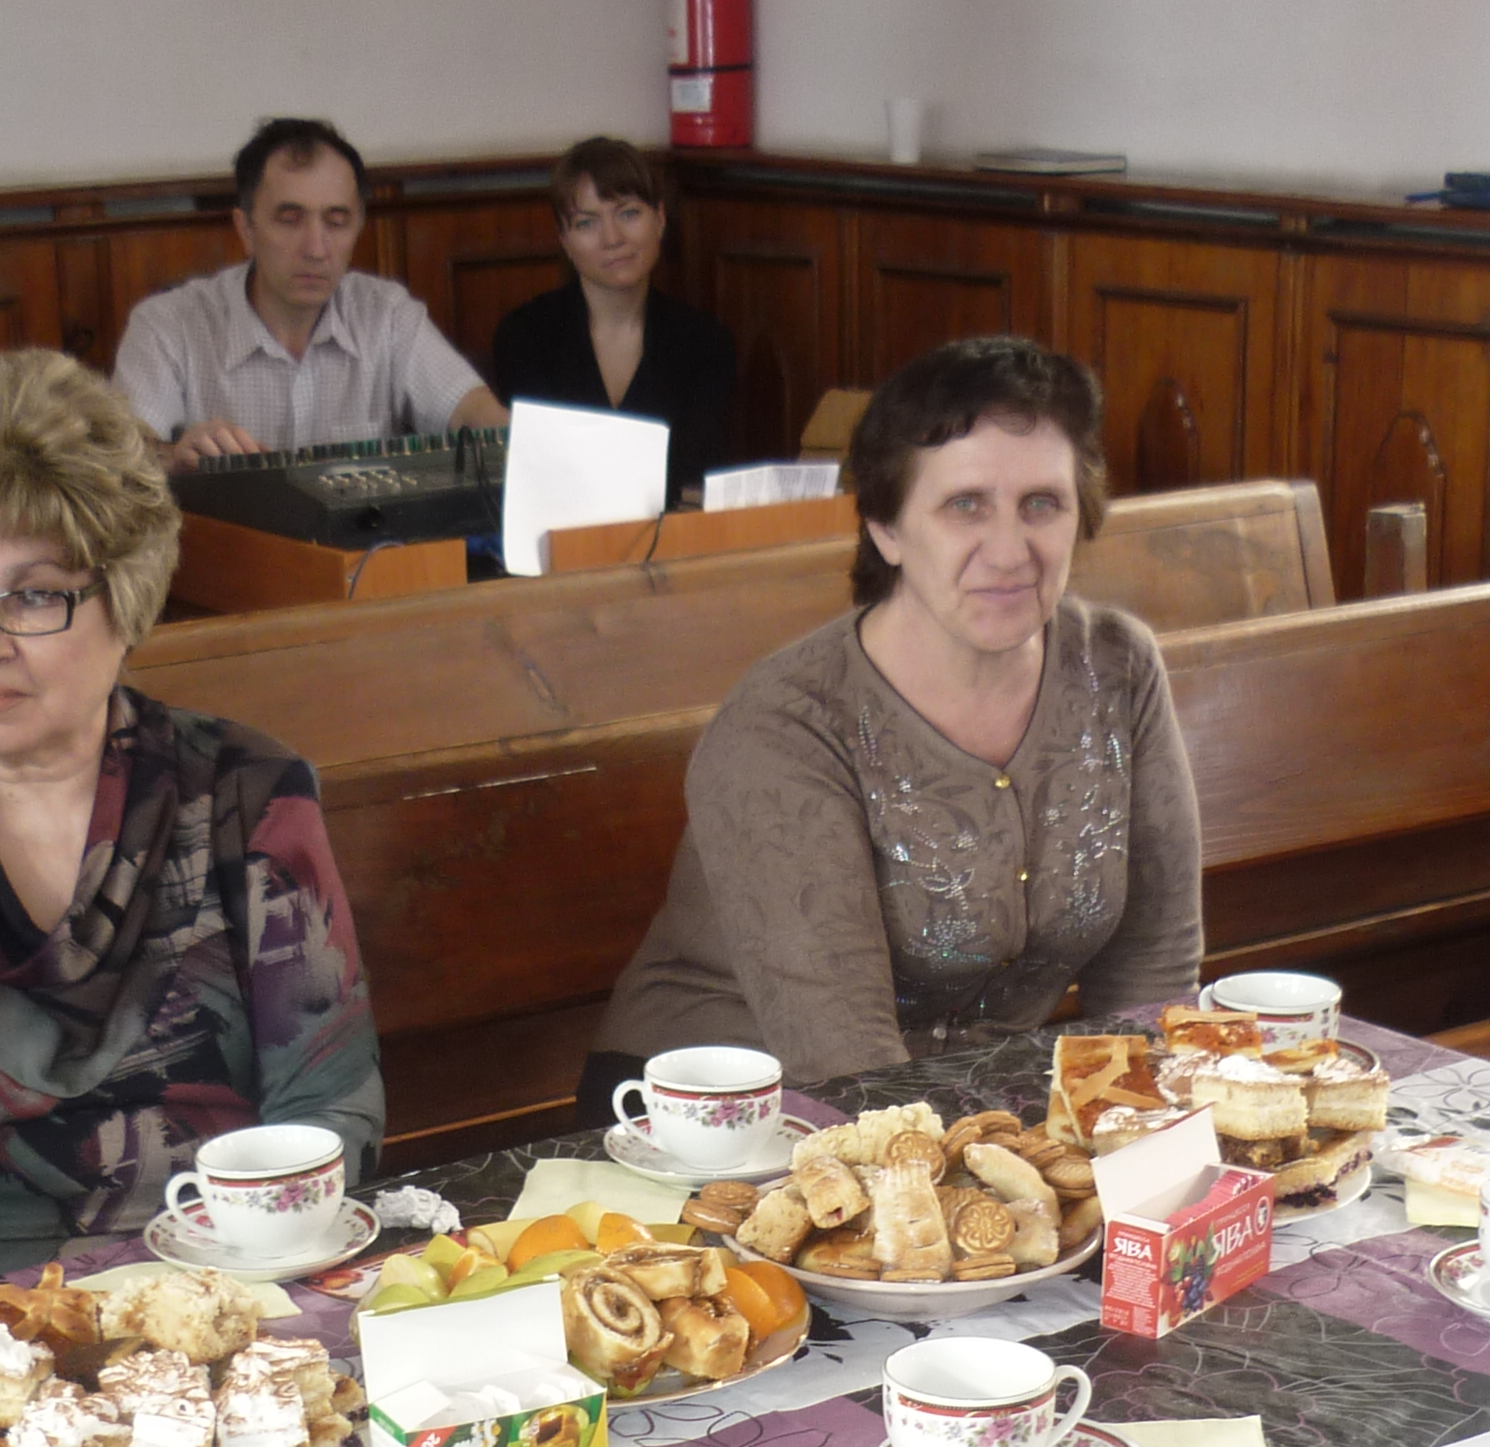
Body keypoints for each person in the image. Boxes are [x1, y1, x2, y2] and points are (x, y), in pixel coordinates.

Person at [0, 349, 384, 1302]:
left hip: (241, 1287)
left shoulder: (247, 794)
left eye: (31, 595)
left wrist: (240, 1299)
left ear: (125, 599)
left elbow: (327, 1101)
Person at [591, 336, 1202, 1095]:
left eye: (1042, 504)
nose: (1010, 551)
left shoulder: (1118, 665)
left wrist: (1140, 1126)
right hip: (730, 1106)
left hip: (982, 1095)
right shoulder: (786, 723)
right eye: (965, 505)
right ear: (886, 527)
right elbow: (844, 1058)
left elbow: (1152, 969)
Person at [113, 118, 507, 463]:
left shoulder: (387, 315)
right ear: (246, 229)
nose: (316, 249)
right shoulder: (168, 325)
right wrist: (176, 457)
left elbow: (475, 414)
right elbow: (123, 459)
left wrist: (514, 440)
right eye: (289, 220)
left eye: (336, 222)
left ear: (358, 228)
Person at [490, 138, 740, 506]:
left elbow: (696, 477)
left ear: (660, 219)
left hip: (672, 531)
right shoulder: (525, 336)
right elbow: (542, 474)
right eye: (586, 223)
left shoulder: (706, 341)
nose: (612, 239)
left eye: (629, 214)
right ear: (565, 240)